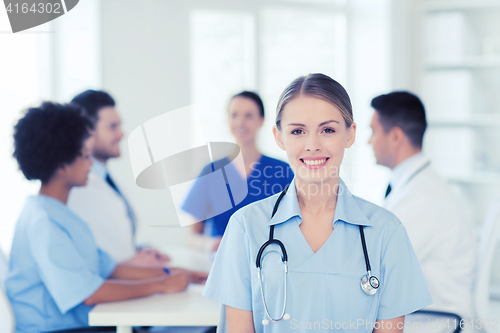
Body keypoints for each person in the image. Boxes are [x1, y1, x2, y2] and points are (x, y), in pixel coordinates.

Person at [202, 74, 432, 332]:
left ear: (350, 135)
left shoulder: (386, 232)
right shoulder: (245, 227)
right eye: (298, 131)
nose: (312, 145)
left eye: (328, 130)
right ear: (279, 137)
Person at [5, 102, 207, 333]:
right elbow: (89, 294)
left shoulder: (60, 214)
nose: (90, 162)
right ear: (62, 165)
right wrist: (161, 284)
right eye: (83, 155)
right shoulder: (44, 222)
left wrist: (176, 273)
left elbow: (111, 269)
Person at [368, 91, 477, 319]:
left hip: (435, 319)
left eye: (374, 131)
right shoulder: (416, 186)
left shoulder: (423, 197)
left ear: (396, 137)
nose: (369, 141)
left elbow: (382, 267)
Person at [67, 90, 169, 267]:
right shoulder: (76, 188)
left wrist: (138, 251)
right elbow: (87, 255)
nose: (122, 134)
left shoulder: (105, 181)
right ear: (87, 132)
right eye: (112, 127)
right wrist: (131, 263)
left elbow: (109, 241)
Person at [181, 91, 294, 252]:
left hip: (269, 263)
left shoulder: (282, 171)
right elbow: (192, 235)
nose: (240, 122)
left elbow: (298, 227)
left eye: (248, 115)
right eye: (234, 115)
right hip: (222, 263)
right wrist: (210, 244)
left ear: (261, 120)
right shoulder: (211, 172)